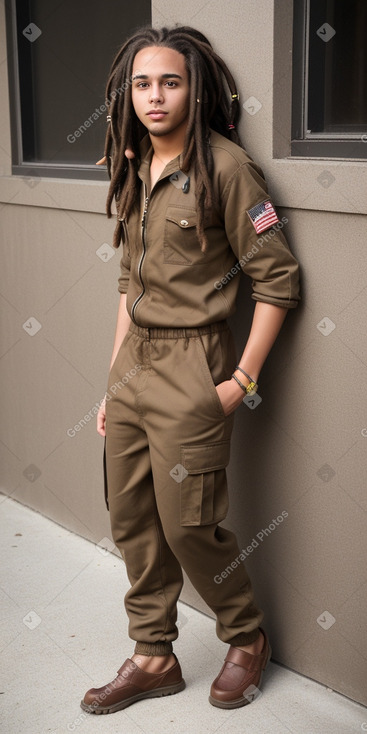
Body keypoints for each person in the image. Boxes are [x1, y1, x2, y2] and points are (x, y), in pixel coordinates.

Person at [81, 25, 300, 715]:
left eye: (169, 81)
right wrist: (112, 381)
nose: (155, 96)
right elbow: (128, 286)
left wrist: (240, 381)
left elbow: (278, 281)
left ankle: (245, 637)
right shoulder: (134, 162)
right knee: (132, 518)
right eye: (142, 83)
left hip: (192, 365)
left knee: (186, 525)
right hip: (133, 366)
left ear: (194, 87)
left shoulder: (227, 169)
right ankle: (153, 655)